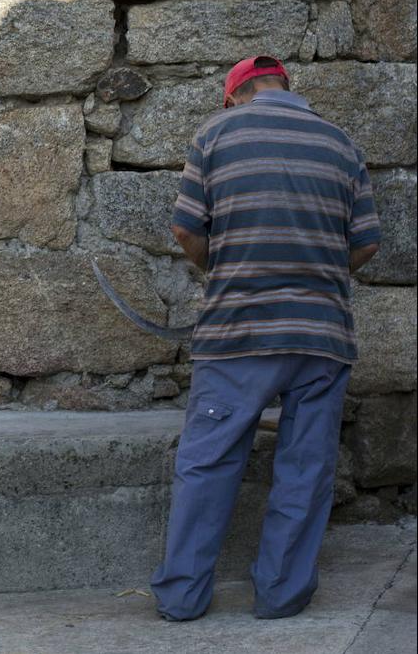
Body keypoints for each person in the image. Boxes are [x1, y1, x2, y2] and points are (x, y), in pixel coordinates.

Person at [150, 55, 381, 621]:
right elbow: (367, 242)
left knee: (207, 463)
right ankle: (281, 597)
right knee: (305, 468)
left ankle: (183, 599)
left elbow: (186, 227)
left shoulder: (216, 134)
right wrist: (316, 278)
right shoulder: (340, 143)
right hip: (320, 335)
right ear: (286, 89)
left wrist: (224, 269)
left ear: (233, 96)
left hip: (237, 331)